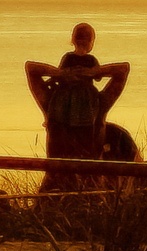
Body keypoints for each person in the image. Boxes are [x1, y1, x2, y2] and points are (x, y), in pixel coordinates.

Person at [25, 22, 130, 191]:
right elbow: (122, 70)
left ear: (72, 40)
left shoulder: (53, 104)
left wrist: (61, 73)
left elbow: (31, 69)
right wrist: (93, 72)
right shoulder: (97, 105)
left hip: (59, 187)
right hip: (87, 188)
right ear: (91, 42)